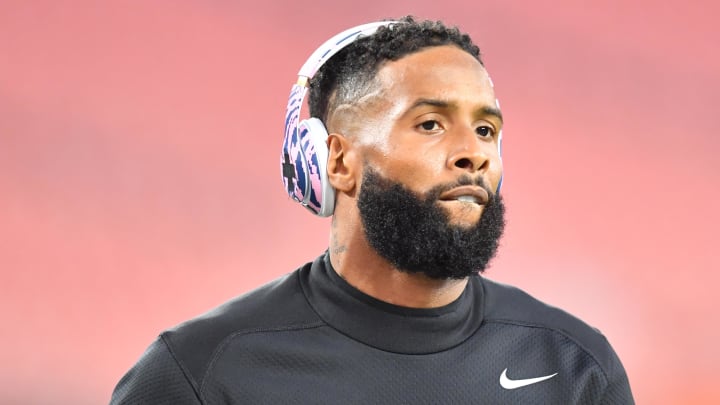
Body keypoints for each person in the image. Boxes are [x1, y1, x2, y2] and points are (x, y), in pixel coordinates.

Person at [110, 16, 634, 404]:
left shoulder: (573, 368)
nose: (473, 152)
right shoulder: (199, 374)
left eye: (486, 130)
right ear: (336, 161)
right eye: (430, 124)